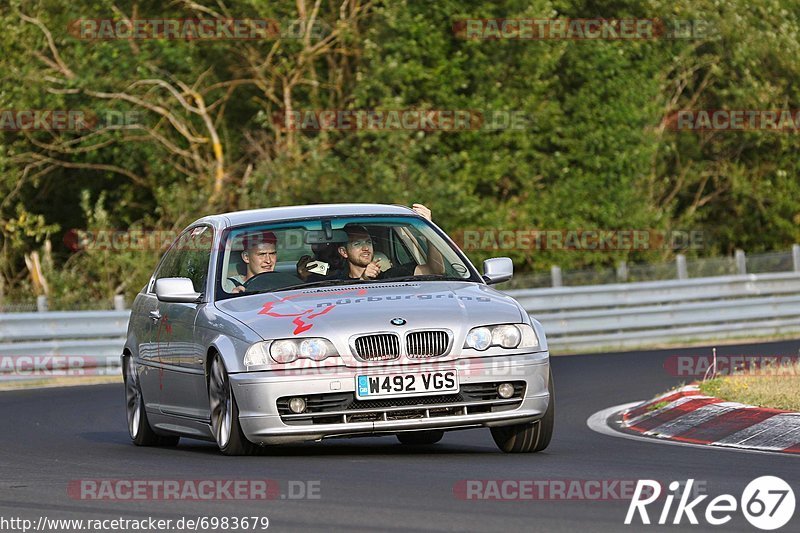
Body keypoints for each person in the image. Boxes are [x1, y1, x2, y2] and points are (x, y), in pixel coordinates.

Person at [335, 203, 444, 281]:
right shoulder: (334, 283)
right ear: (343, 252)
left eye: (368, 242)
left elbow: (435, 270)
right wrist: (363, 279)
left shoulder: (391, 277)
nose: (366, 248)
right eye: (357, 244)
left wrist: (427, 227)